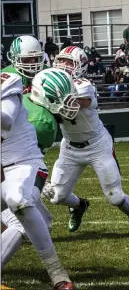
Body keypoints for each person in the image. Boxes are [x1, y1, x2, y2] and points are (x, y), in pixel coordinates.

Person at [35, 68, 129, 236]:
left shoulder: (82, 86)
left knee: (115, 197)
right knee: (56, 196)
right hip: (70, 148)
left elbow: (84, 101)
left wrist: (61, 98)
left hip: (97, 146)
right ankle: (79, 205)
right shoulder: (49, 90)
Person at [1, 72, 74, 290]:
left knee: (18, 200)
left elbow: (5, 119)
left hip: (23, 165)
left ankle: (56, 270)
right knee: (19, 218)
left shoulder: (7, 81)